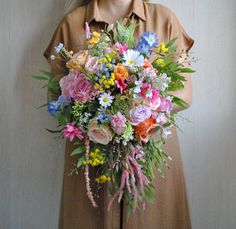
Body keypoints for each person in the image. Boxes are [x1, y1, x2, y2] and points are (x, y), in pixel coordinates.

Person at [43, 0, 194, 228]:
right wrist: (97, 112)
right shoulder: (72, 23)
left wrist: (136, 112)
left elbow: (184, 92)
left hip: (151, 158)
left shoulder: (164, 20)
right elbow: (55, 98)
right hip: (92, 161)